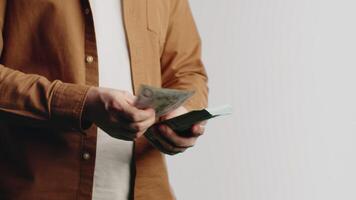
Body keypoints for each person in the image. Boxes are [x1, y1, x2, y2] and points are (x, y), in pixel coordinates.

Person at [0, 0, 208, 199]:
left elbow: (187, 70)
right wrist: (82, 104)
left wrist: (183, 113)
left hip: (149, 190)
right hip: (36, 187)